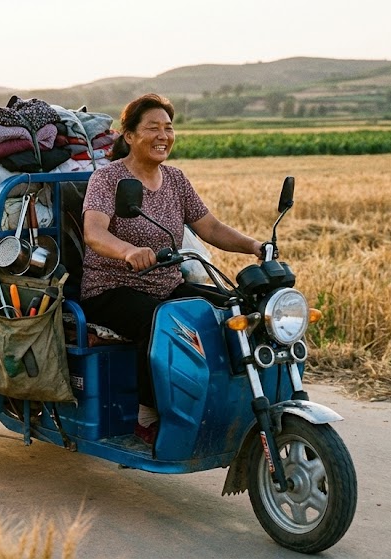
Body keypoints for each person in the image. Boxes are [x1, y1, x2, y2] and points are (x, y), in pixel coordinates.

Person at [79, 93, 263, 444]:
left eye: (168, 127)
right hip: (111, 289)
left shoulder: (176, 180)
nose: (163, 135)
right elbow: (94, 233)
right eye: (152, 127)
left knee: (230, 307)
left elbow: (210, 227)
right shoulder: (107, 180)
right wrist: (128, 250)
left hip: (166, 284)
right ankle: (147, 414)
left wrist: (254, 246)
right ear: (129, 135)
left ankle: (228, 398)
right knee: (161, 320)